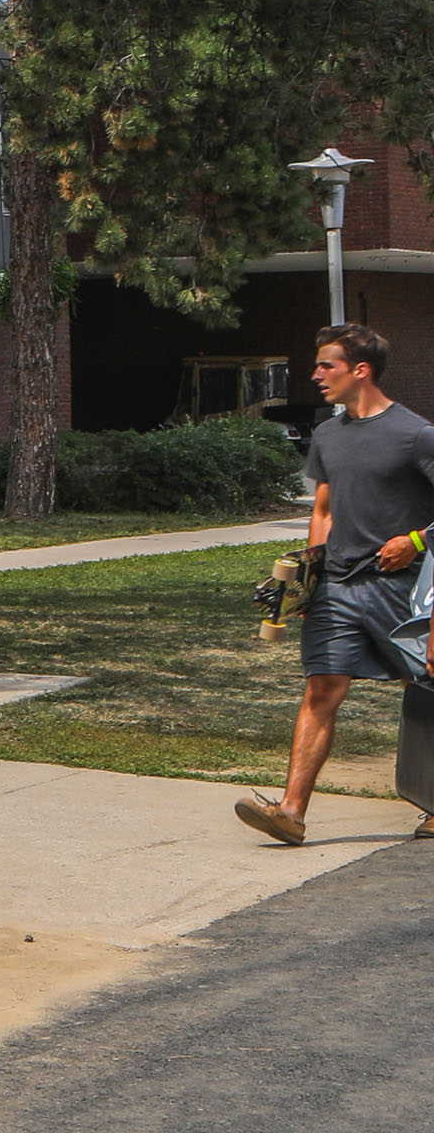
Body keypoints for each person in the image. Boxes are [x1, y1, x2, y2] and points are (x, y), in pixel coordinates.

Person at [238, 324, 434, 844]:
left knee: (429, 687)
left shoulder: (416, 435)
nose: (316, 375)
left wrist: (415, 540)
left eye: (327, 365)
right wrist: (308, 578)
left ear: (360, 370)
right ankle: (291, 811)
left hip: (404, 589)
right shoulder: (327, 435)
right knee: (321, 689)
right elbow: (322, 511)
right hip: (339, 587)